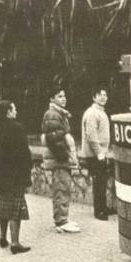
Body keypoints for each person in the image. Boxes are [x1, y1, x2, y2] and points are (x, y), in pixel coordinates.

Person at [0, 100, 32, 254]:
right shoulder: (17, 128)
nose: (16, 111)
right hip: (15, 175)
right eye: (14, 109)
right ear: (8, 112)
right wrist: (27, 174)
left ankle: (2, 237)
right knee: (15, 208)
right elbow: (24, 154)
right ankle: (15, 243)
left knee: (3, 204)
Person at [41, 88, 80, 233]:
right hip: (60, 160)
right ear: (52, 99)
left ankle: (63, 218)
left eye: (64, 96)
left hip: (61, 159)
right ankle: (61, 221)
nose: (64, 99)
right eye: (60, 96)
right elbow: (55, 139)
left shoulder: (59, 114)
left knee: (63, 188)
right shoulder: (52, 114)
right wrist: (65, 157)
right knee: (61, 189)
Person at [81, 88, 110, 220]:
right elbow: (91, 136)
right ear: (94, 97)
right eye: (100, 95)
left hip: (100, 152)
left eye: (105, 95)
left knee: (102, 181)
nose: (103, 97)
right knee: (99, 182)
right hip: (94, 154)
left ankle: (103, 207)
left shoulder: (101, 112)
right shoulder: (92, 113)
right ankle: (99, 211)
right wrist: (99, 153)